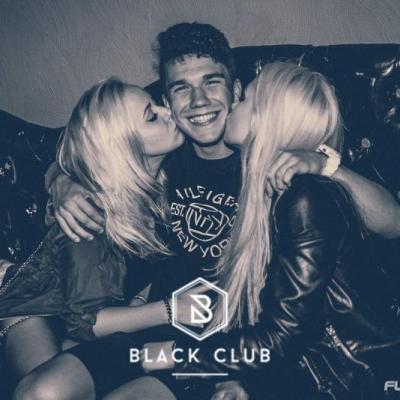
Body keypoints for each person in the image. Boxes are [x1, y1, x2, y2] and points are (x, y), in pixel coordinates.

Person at [15, 23, 400, 400]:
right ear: (168, 102)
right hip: (156, 331)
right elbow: (93, 144)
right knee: (40, 391)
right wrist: (63, 182)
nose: (198, 101)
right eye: (182, 88)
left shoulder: (278, 167)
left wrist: (328, 166)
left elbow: (392, 222)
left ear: (236, 92)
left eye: (212, 82)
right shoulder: (166, 153)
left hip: (217, 347)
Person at [140, 62, 400, 400]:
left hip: (352, 381)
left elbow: (282, 338)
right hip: (302, 374)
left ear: (267, 117)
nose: (233, 106)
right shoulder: (266, 192)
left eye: (245, 98)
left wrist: (167, 354)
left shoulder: (305, 197)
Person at [0, 77, 207, 386]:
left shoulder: (162, 182)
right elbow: (85, 322)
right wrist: (169, 310)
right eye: (152, 116)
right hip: (36, 308)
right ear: (123, 147)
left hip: (89, 308)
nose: (169, 112)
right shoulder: (91, 218)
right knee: (47, 390)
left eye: (159, 105)